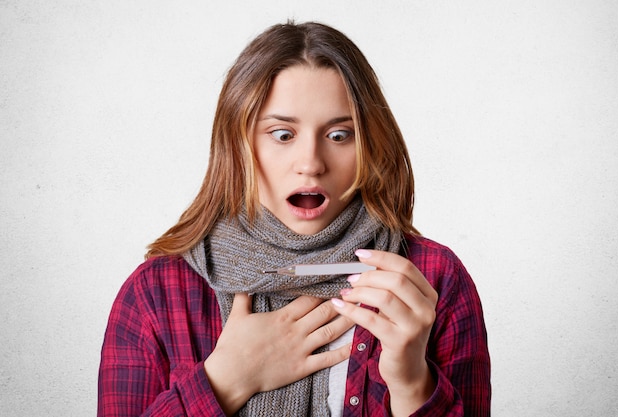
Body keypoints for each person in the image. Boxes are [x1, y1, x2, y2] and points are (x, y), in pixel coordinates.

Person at [98, 21, 490, 416]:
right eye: (282, 135)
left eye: (339, 135)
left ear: (370, 143)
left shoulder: (432, 279)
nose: (311, 164)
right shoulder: (156, 294)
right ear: (238, 145)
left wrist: (410, 383)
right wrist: (226, 380)